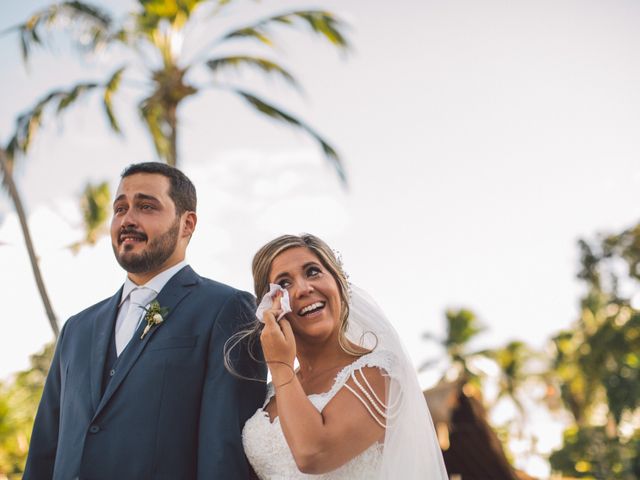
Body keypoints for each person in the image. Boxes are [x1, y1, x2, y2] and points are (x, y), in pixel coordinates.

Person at [24, 162, 266, 479]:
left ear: (187, 224)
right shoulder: (76, 328)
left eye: (146, 206)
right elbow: (45, 449)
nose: (127, 219)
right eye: (120, 208)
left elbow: (224, 449)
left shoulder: (227, 309)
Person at [240, 234, 448, 479]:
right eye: (284, 284)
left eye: (313, 272)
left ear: (339, 283)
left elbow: (314, 454)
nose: (304, 288)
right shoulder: (271, 392)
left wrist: (279, 364)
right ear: (269, 307)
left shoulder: (379, 373)